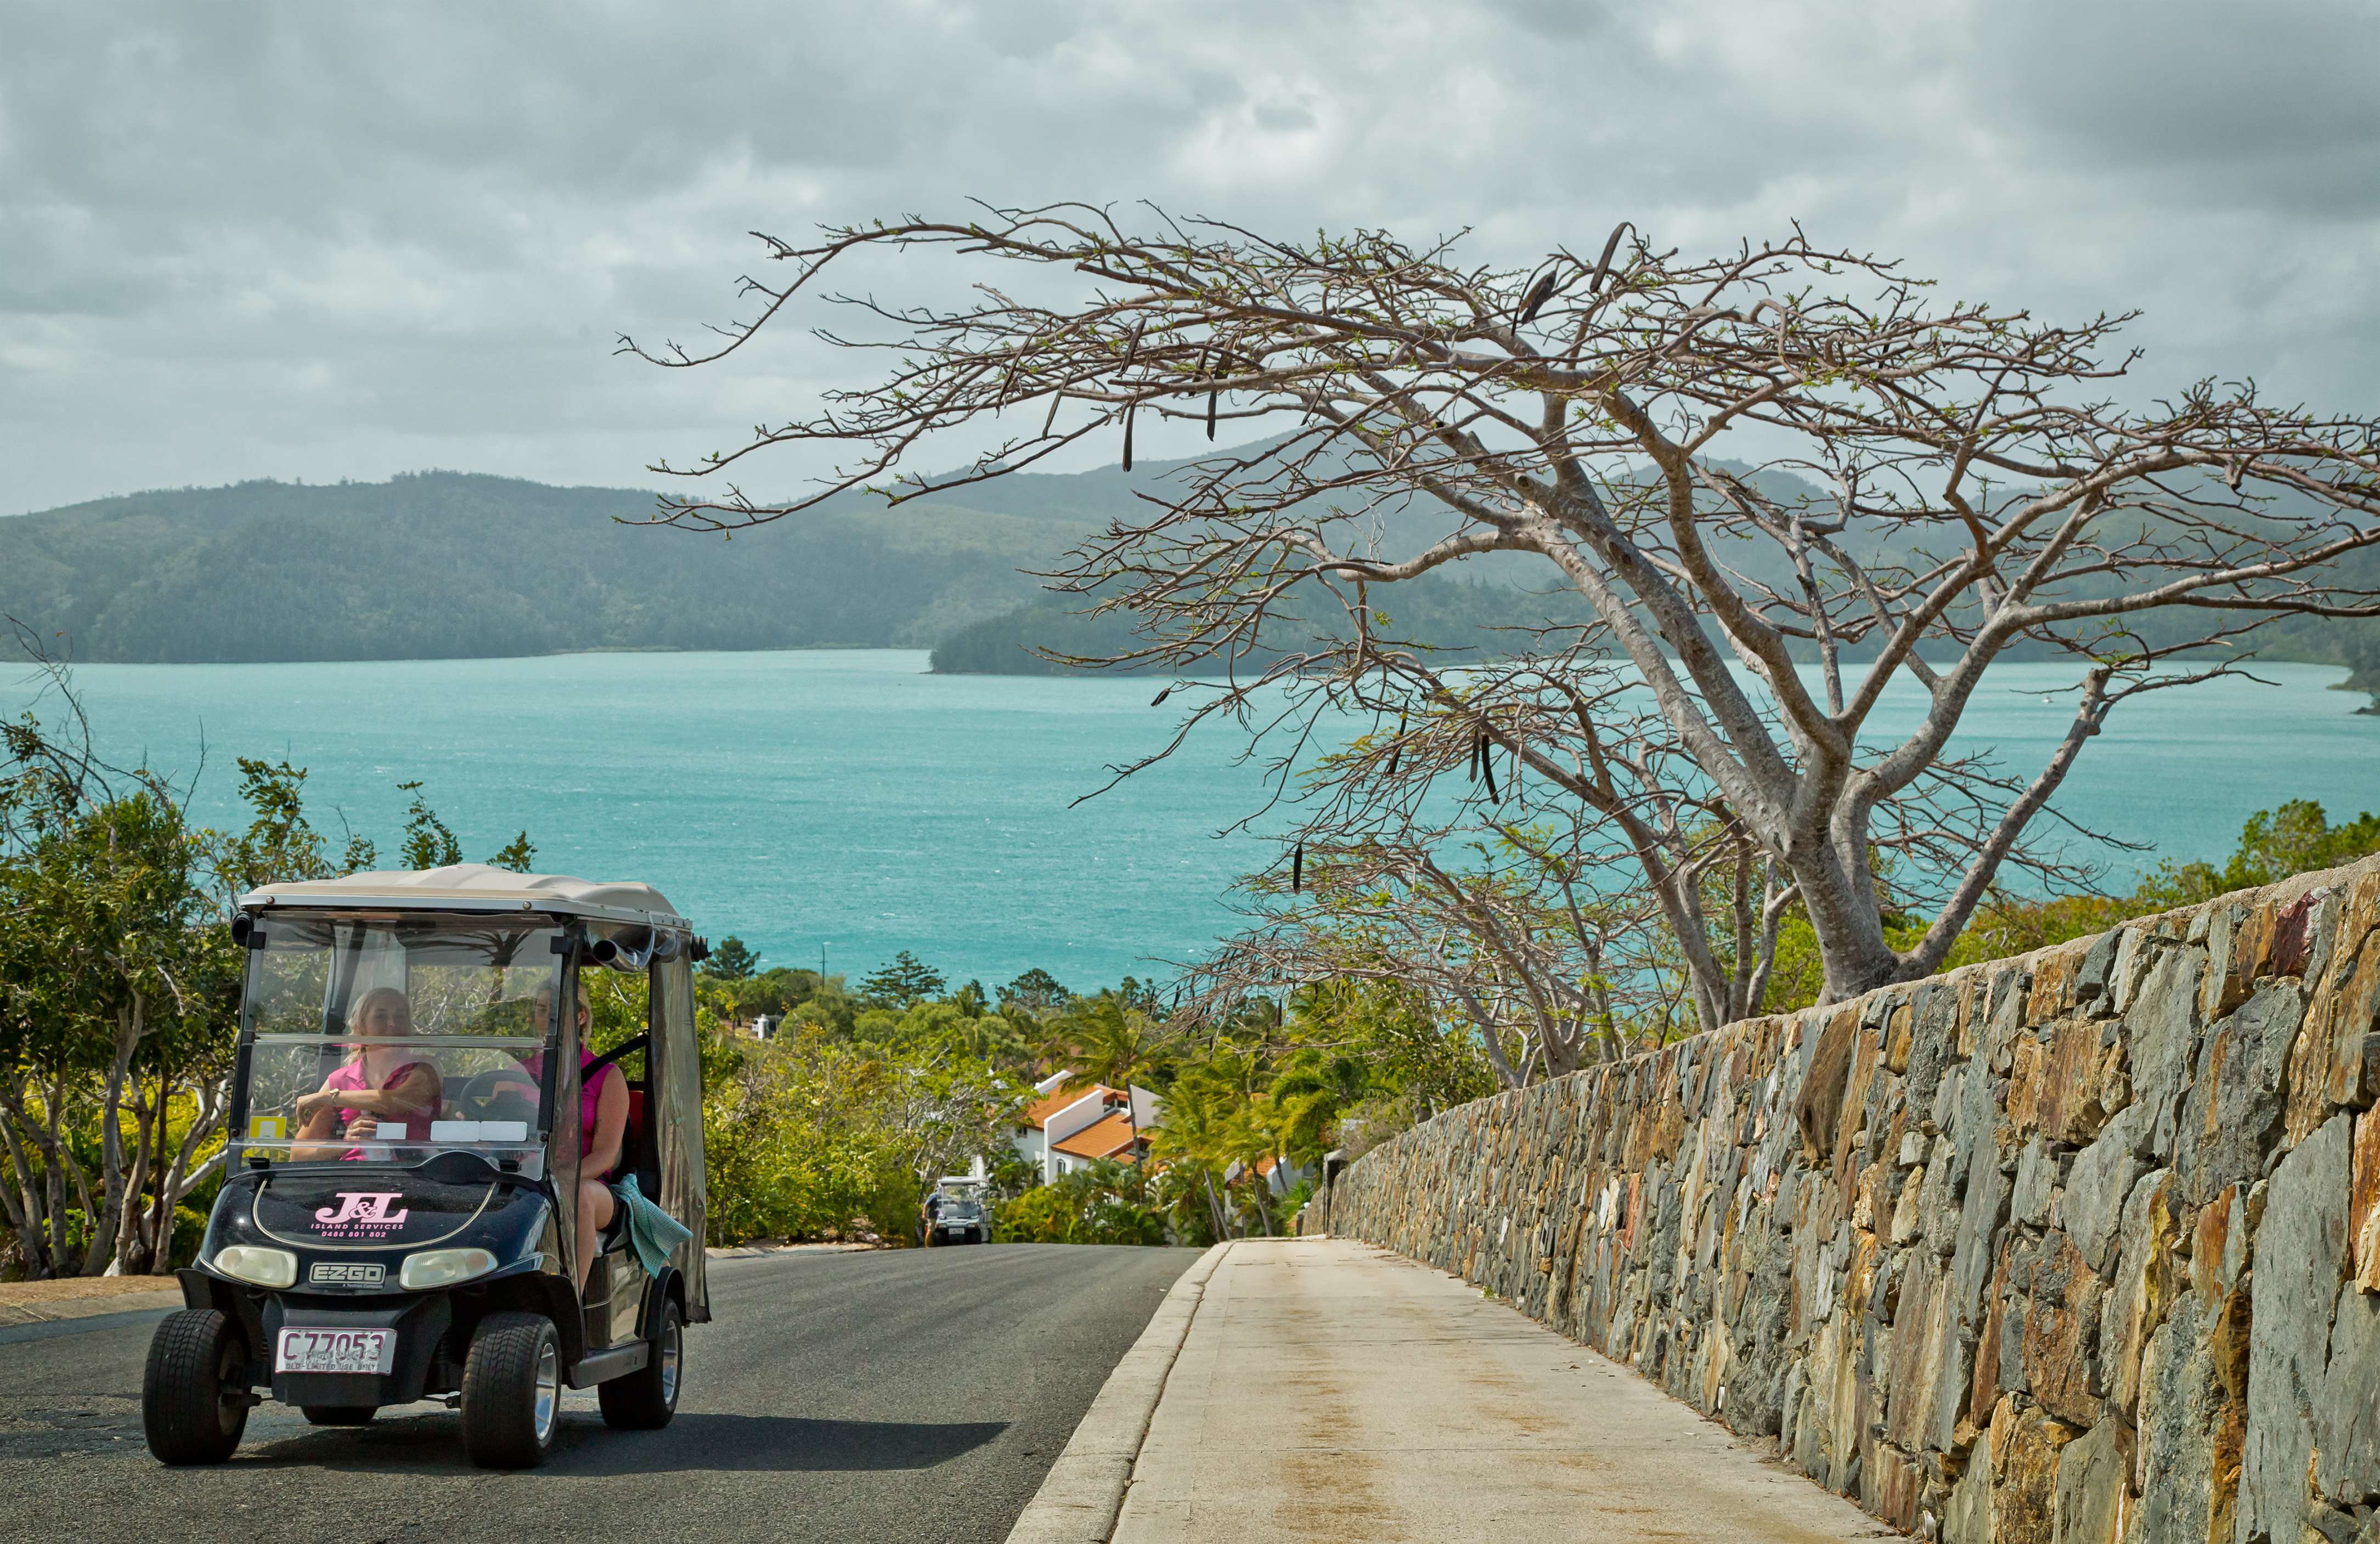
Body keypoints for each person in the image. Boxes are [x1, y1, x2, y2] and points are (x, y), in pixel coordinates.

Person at [522, 981, 630, 1293]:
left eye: (554, 1010)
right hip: (525, 1176)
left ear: (581, 1016)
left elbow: (605, 1155)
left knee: (577, 1197)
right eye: (541, 1009)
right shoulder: (517, 1070)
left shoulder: (606, 1076)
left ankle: (571, 1303)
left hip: (589, 1184)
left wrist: (560, 1179)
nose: (546, 1017)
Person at [292, 987, 444, 1161]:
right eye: (381, 1016)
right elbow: (298, 1154)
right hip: (354, 1176)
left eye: (400, 1016)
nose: (392, 1024)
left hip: (416, 1172)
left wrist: (328, 1098)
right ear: (361, 1027)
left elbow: (400, 1100)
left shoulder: (425, 1067)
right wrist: (347, 1143)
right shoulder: (339, 1080)